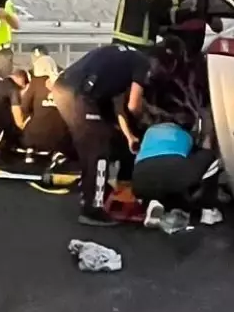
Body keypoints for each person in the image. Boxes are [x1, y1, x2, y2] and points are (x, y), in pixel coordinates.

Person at [52, 43, 165, 226]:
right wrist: (149, 122)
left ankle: (89, 195)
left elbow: (117, 107)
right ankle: (93, 210)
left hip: (64, 88)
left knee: (90, 145)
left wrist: (129, 137)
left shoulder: (123, 59)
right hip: (80, 94)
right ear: (155, 62)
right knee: (100, 149)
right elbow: (132, 106)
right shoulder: (143, 63)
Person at [133, 121, 222, 227]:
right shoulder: (185, 135)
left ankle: (153, 202)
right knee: (208, 158)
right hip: (174, 172)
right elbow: (199, 155)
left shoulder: (149, 133)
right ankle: (209, 211)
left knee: (164, 178)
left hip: (139, 182)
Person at [17, 52, 73, 163]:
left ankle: (30, 150)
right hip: (59, 134)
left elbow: (24, 106)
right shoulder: (64, 82)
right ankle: (58, 153)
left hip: (35, 134)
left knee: (32, 121)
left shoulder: (36, 82)